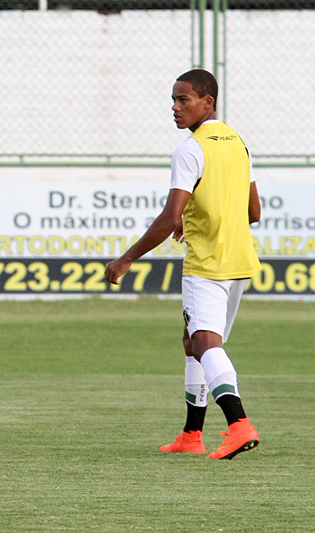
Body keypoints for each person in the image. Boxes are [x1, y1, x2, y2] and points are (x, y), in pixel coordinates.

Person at [104, 69, 260, 460]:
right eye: (173, 100)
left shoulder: (190, 150)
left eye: (183, 100)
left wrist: (125, 260)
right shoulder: (239, 143)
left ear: (207, 102)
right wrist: (201, 221)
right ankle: (191, 434)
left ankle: (239, 425)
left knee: (206, 344)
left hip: (207, 264)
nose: (175, 108)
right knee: (193, 342)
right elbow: (252, 212)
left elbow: (170, 217)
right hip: (238, 259)